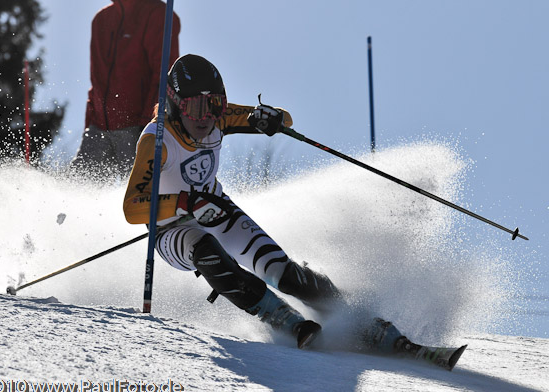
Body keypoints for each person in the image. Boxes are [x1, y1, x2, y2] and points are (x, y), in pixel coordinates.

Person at [123, 55, 466, 367]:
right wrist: (186, 202)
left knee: (280, 270)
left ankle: (365, 324)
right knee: (207, 251)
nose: (207, 117)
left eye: (215, 105)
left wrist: (268, 118)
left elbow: (283, 119)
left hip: (218, 208)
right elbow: (133, 208)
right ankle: (285, 320)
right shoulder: (157, 139)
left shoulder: (218, 120)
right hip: (171, 227)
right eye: (197, 108)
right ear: (174, 102)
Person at [72, 0, 181, 179]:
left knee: (137, 197)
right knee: (76, 190)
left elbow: (164, 76)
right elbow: (96, 81)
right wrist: (89, 124)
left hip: (138, 128)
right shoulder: (101, 19)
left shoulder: (158, 14)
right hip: (98, 127)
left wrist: (150, 123)